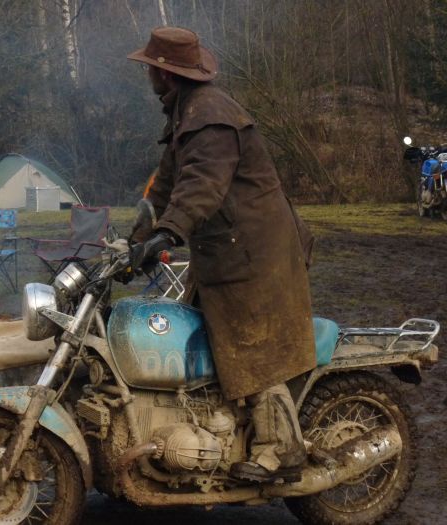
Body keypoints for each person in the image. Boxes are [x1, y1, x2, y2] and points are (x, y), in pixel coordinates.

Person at [128, 27, 317, 482]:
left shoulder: (210, 117)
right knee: (201, 336)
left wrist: (168, 233)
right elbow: (166, 186)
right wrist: (135, 241)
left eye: (150, 68)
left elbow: (202, 185)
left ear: (164, 74)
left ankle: (281, 455)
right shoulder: (186, 113)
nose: (147, 75)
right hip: (226, 251)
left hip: (255, 254)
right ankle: (221, 430)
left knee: (255, 346)